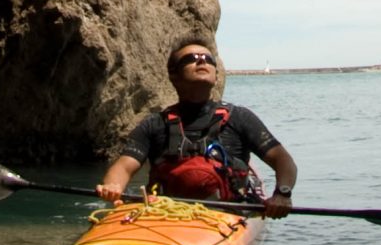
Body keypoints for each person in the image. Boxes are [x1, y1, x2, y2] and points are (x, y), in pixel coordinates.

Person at [95, 38, 298, 217]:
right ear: (173, 75)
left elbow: (283, 161)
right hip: (165, 213)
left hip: (227, 215)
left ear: (216, 76)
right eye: (191, 58)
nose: (202, 61)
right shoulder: (154, 124)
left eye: (208, 59)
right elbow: (123, 166)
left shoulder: (240, 117)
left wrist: (282, 194)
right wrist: (114, 187)